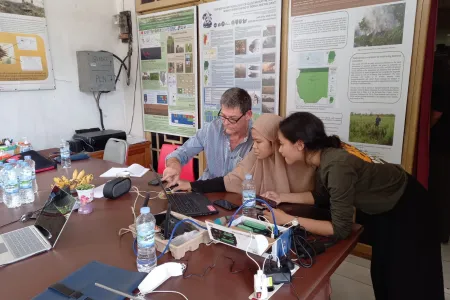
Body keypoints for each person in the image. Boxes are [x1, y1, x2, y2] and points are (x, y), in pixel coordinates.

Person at [263, 112, 444, 300]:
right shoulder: (324, 156)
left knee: (407, 279)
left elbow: (341, 228)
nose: (280, 150)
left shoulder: (336, 165)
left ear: (300, 144)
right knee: (383, 272)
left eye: (282, 144)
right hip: (387, 205)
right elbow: (321, 196)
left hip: (409, 205)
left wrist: (289, 220)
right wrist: (281, 196)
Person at [172, 114, 316, 200]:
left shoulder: (304, 162)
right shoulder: (257, 157)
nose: (254, 147)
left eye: (259, 142)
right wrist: (191, 185)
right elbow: (230, 180)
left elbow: (318, 200)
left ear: (275, 141)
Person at [162, 88, 254, 187]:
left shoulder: (257, 139)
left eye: (232, 119)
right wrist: (174, 166)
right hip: (205, 192)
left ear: (248, 115)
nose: (226, 123)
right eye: (223, 116)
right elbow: (180, 153)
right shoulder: (211, 129)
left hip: (237, 196)